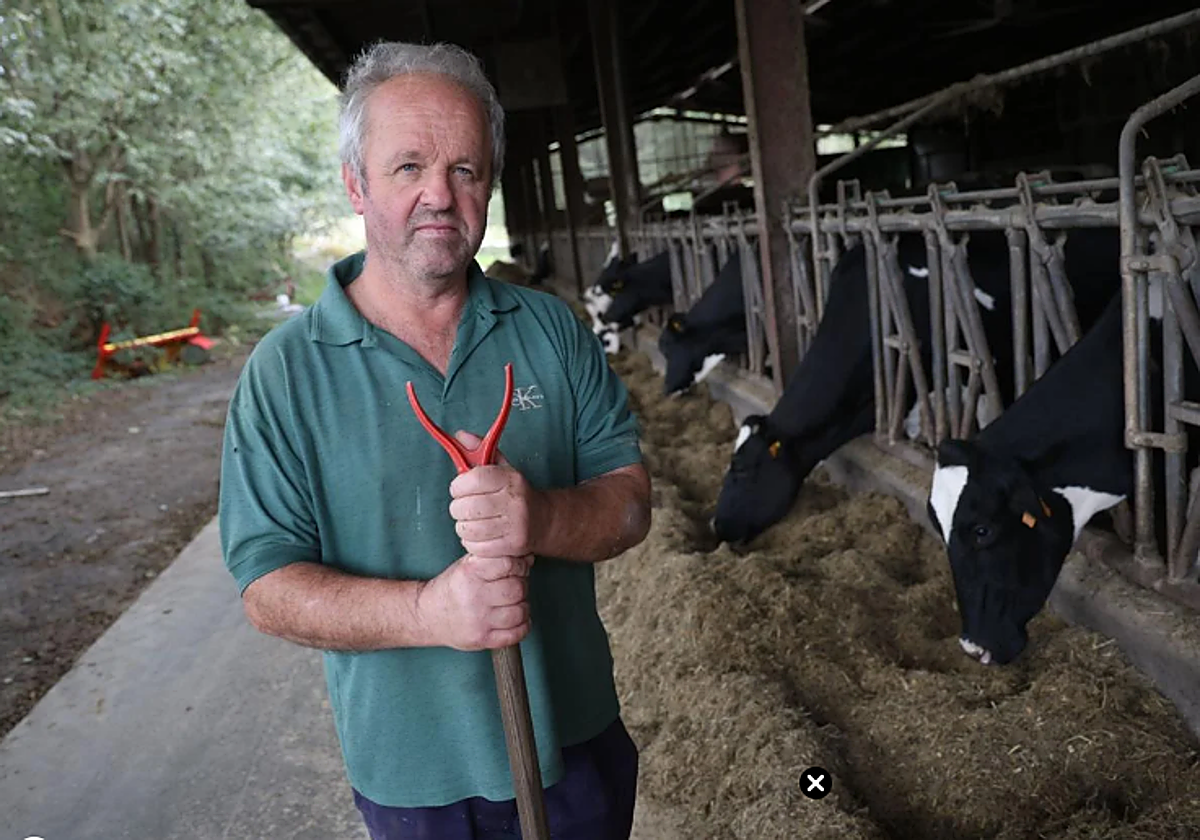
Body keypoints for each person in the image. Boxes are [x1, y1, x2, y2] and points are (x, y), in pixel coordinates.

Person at [218, 41, 652, 840]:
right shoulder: (285, 374)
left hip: (576, 744)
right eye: (408, 166)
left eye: (465, 169)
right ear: (355, 182)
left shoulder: (551, 330)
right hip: (414, 780)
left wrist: (542, 520)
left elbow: (630, 504)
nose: (439, 197)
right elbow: (266, 589)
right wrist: (428, 611)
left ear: (489, 181)